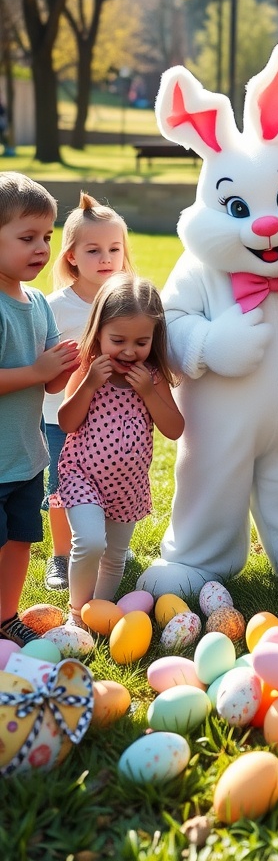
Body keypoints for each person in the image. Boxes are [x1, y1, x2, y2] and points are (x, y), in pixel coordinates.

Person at [57, 273, 184, 627]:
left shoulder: (153, 376)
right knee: (90, 542)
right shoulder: (88, 367)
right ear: (98, 331)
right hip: (82, 476)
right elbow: (67, 422)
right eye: (118, 340)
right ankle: (76, 614)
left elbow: (174, 429)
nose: (129, 351)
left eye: (141, 342)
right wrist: (89, 383)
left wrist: (148, 392)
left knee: (114, 557)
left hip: (127, 486)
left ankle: (99, 612)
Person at [0, 171, 79, 646]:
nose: (41, 248)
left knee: (21, 541)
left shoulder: (37, 303)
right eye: (26, 237)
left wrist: (71, 364)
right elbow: (32, 373)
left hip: (27, 459)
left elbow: (50, 380)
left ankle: (6, 615)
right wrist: (37, 370)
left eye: (46, 237)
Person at [42, 192, 133, 592]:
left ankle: (112, 545)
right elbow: (44, 364)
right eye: (93, 249)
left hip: (114, 418)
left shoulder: (126, 301)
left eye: (114, 248)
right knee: (62, 489)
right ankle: (61, 557)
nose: (106, 257)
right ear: (72, 257)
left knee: (113, 479)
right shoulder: (55, 307)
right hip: (61, 417)